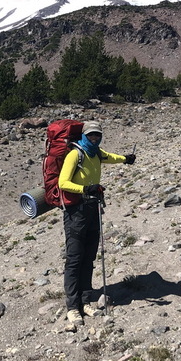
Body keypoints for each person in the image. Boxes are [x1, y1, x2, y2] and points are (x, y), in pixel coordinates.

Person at [57, 120, 136, 326]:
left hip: (93, 210)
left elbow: (110, 157)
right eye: (91, 135)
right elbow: (62, 182)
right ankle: (73, 307)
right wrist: (86, 189)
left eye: (97, 135)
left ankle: (85, 302)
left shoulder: (96, 152)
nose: (94, 138)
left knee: (88, 258)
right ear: (84, 135)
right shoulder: (76, 154)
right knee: (74, 260)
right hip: (76, 212)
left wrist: (125, 159)